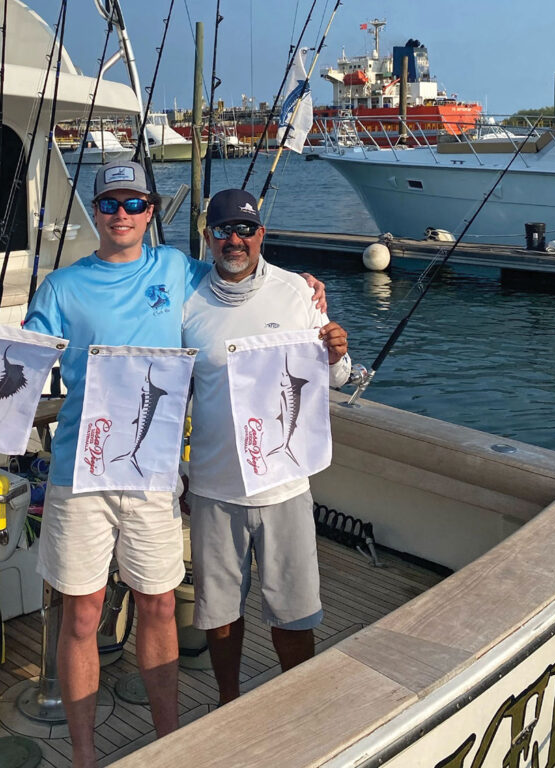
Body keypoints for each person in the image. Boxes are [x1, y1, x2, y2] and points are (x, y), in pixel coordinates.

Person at [0, 161, 208, 768]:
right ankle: (84, 757)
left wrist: (307, 291)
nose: (121, 215)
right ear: (96, 209)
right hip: (78, 473)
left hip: (153, 472)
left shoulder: (180, 269)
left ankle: (172, 745)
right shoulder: (61, 286)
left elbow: (243, 287)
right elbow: (21, 358)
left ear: (151, 210)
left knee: (159, 603)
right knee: (80, 612)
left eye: (134, 203)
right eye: (110, 203)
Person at [181, 188, 351, 705]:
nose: (235, 239)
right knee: (219, 616)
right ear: (208, 237)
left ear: (262, 235)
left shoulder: (299, 292)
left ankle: (300, 708)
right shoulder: (187, 302)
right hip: (213, 487)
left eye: (245, 229)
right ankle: (227, 703)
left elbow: (337, 377)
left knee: (294, 614)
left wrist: (338, 351)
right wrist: (175, 474)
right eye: (223, 230)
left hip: (284, 488)